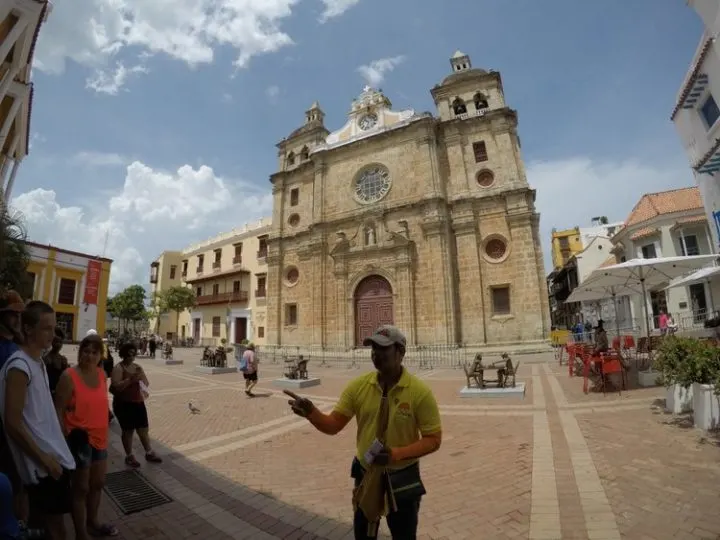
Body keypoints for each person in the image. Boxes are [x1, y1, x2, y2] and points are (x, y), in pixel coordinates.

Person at [285, 325, 442, 539]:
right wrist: (312, 412)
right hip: (365, 474)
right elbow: (334, 425)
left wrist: (395, 454)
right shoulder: (358, 386)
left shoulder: (419, 392)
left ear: (401, 352)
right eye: (373, 348)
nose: (376, 354)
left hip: (401, 477)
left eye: (383, 348)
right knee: (363, 535)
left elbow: (433, 440)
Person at [0, 301, 76, 540]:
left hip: (52, 459)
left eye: (54, 328)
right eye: (46, 328)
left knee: (48, 527)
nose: (52, 335)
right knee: (56, 531)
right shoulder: (19, 366)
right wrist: (44, 460)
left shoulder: (37, 362)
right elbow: (12, 423)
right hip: (42, 466)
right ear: (29, 329)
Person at [55, 334, 118, 538]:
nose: (89, 356)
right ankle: (81, 533)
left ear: (101, 355)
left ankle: (93, 522)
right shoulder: (68, 376)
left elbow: (100, 401)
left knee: (98, 483)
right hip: (79, 439)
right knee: (80, 488)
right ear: (80, 352)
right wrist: (63, 440)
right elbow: (58, 411)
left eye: (94, 352)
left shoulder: (101, 374)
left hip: (100, 437)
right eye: (86, 351)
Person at [110, 343, 161, 468]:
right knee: (128, 430)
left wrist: (141, 378)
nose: (131, 357)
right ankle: (129, 456)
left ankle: (149, 452)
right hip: (123, 404)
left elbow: (146, 383)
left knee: (143, 429)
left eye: (133, 354)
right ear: (123, 354)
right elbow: (116, 387)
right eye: (129, 354)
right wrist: (130, 380)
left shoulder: (137, 367)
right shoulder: (118, 368)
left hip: (138, 402)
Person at [44, 329, 68, 396]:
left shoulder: (63, 359)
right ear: (51, 342)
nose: (58, 345)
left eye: (60, 342)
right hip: (48, 393)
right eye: (56, 341)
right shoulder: (47, 359)